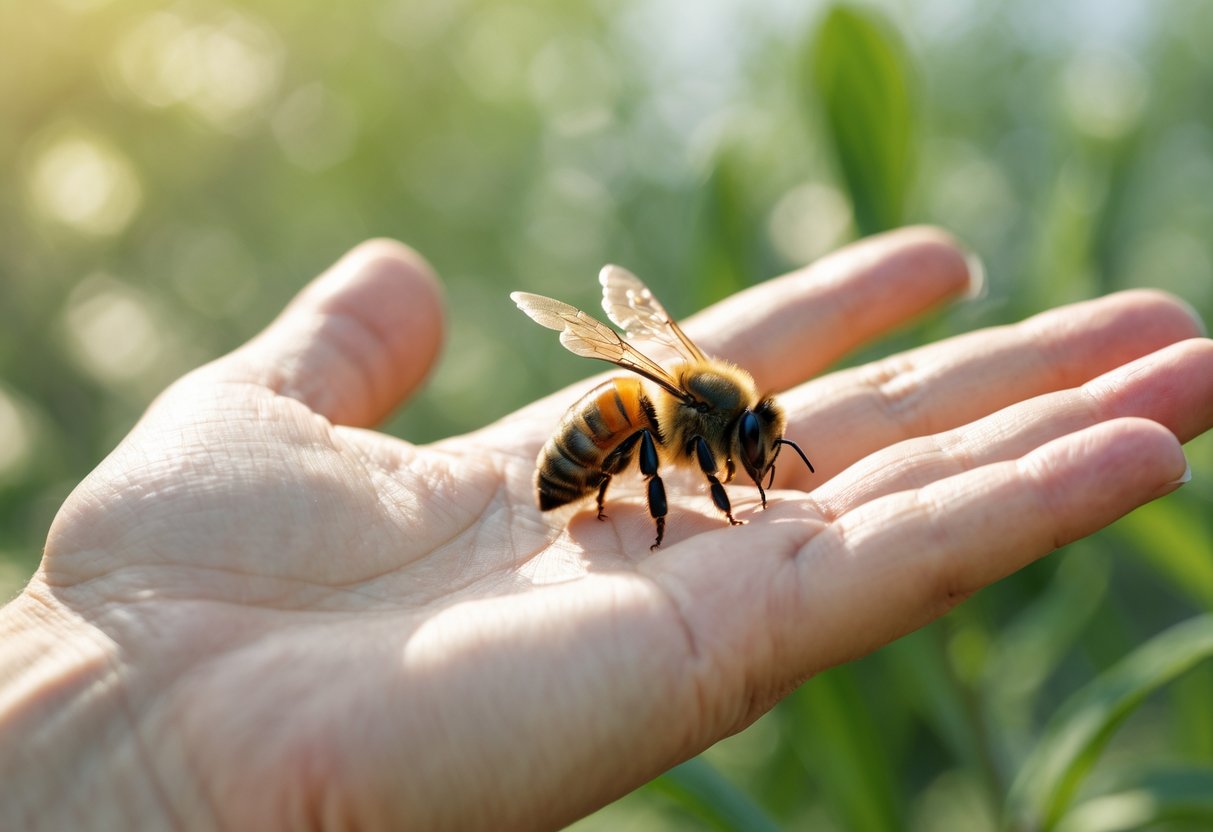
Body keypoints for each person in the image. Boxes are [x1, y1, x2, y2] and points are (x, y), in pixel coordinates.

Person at [1, 227, 1210, 829]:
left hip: (607, 444)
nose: (745, 469)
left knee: (645, 431)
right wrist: (118, 708)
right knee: (632, 431)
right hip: (589, 447)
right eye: (744, 457)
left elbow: (702, 424)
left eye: (746, 460)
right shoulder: (686, 422)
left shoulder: (724, 415)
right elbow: (655, 418)